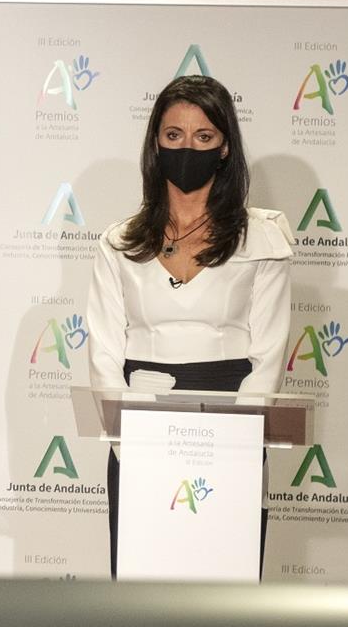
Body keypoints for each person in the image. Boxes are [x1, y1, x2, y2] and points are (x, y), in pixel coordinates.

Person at [86, 74, 292, 578]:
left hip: (233, 426)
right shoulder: (119, 242)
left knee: (224, 578)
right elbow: (105, 351)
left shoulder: (261, 239)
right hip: (141, 430)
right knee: (141, 575)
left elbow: (269, 350)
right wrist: (124, 442)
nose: (187, 147)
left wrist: (240, 442)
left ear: (225, 148)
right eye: (173, 135)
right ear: (156, 142)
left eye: (204, 137)